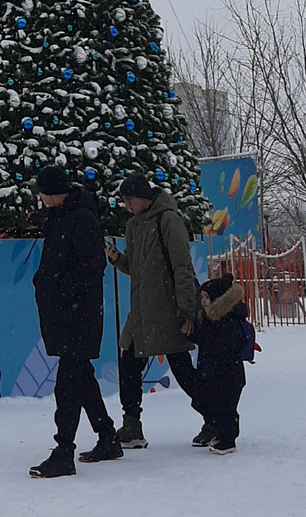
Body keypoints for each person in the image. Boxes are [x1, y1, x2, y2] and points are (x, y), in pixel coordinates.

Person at [29, 167, 121, 479]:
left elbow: (93, 266)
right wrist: (43, 281)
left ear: (54, 192)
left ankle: (63, 451)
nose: (40, 197)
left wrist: (57, 285)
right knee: (81, 377)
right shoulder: (60, 217)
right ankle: (107, 437)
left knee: (67, 385)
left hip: (78, 313)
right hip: (65, 312)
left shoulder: (81, 218)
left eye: (42, 191)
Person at [106, 173, 198, 449]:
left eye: (130, 198)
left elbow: (183, 267)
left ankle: (215, 418)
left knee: (182, 369)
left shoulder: (168, 220)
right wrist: (117, 259)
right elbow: (136, 268)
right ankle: (131, 425)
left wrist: (187, 310)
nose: (126, 204)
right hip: (141, 313)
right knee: (129, 364)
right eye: (123, 199)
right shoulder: (133, 225)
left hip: (167, 310)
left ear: (144, 196)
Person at [192, 274, 249, 454]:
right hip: (215, 372)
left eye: (207, 297)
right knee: (213, 404)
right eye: (202, 297)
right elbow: (203, 340)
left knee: (226, 407)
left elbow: (226, 345)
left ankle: (228, 440)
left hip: (228, 373)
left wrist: (214, 360)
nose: (203, 301)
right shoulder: (211, 318)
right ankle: (222, 434)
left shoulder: (226, 319)